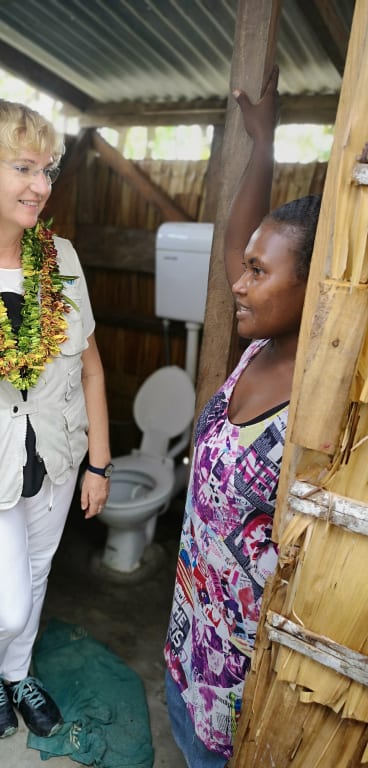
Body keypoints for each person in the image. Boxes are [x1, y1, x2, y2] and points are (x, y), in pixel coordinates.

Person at [164, 65, 322, 766]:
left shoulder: (318, 398)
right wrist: (264, 142)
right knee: (177, 734)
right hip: (188, 630)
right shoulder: (255, 343)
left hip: (238, 670)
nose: (239, 279)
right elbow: (237, 244)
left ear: (315, 287)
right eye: (247, 265)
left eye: (260, 272)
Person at [0, 99, 112, 740]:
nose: (41, 186)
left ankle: (19, 674)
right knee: (5, 604)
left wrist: (100, 463)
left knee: (38, 577)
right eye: (23, 167)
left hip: (56, 455)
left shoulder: (64, 259)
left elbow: (92, 369)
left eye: (47, 169)